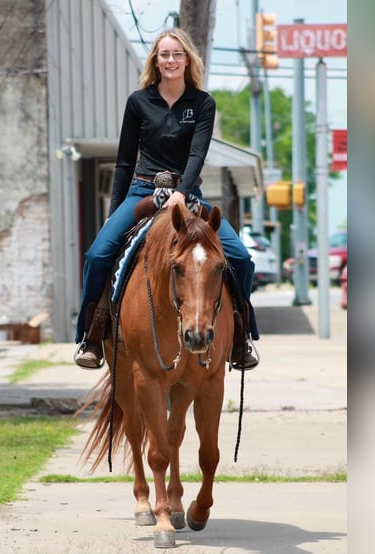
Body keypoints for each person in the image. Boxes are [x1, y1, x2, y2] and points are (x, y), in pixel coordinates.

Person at [75, 28, 259, 371]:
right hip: (143, 191)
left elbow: (197, 156)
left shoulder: (203, 103)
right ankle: (93, 335)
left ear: (187, 59)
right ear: (155, 61)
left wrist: (181, 192)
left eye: (177, 54)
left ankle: (240, 338)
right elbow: (125, 160)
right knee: (98, 253)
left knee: (242, 258)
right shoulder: (138, 101)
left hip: (188, 194)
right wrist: (116, 212)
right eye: (164, 54)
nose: (171, 60)